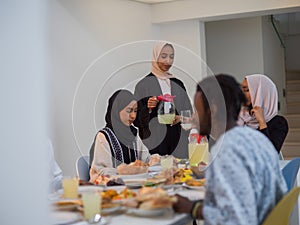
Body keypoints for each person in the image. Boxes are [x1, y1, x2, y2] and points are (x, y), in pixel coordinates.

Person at [173, 74, 287, 224]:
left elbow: (238, 219)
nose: (194, 117)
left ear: (212, 109)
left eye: (197, 110)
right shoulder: (253, 137)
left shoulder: (229, 149)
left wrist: (192, 208)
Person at [134, 41, 193, 157]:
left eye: (171, 57)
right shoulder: (143, 84)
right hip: (155, 143)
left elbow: (189, 114)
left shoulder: (178, 84)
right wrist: (148, 108)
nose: (168, 61)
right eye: (164, 56)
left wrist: (179, 118)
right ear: (155, 56)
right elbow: (136, 119)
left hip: (178, 143)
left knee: (181, 173)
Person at [89, 89, 159, 182]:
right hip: (113, 189)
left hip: (134, 185)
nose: (133, 116)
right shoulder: (104, 136)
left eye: (135, 111)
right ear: (116, 110)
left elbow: (146, 159)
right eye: (129, 111)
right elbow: (100, 171)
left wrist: (161, 160)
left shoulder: (133, 134)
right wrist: (125, 171)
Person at [238, 74, 289, 153]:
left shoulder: (279, 123)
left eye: (246, 90)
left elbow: (270, 154)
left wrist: (262, 122)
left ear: (260, 93)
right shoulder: (240, 117)